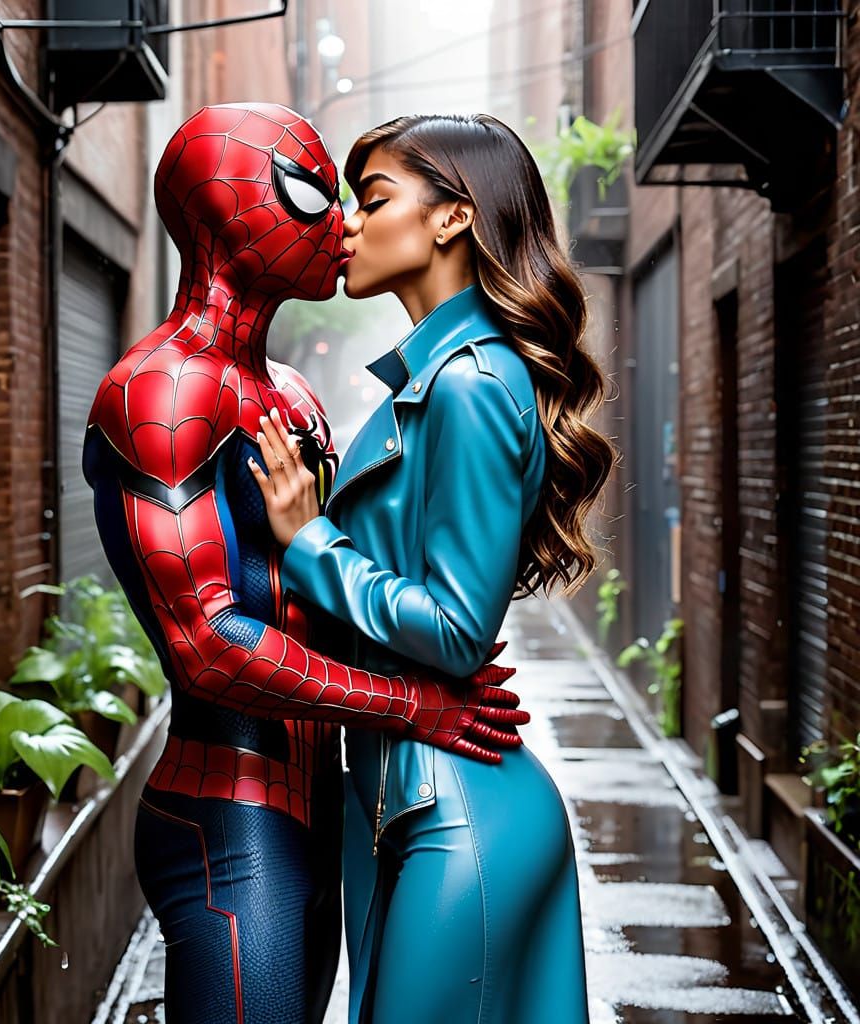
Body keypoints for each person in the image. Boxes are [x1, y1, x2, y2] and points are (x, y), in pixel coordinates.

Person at [81, 102, 529, 1024]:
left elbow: (331, 588)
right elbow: (207, 643)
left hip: (332, 812)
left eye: (353, 195)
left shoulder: (291, 394)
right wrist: (416, 701)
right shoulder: (162, 389)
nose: (341, 220)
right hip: (229, 808)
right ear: (223, 208)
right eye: (311, 191)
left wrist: (433, 644)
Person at [249, 113, 614, 1023]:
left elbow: (455, 630)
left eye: (372, 201)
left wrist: (309, 540)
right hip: (405, 806)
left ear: (452, 218)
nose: (346, 224)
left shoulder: (469, 384)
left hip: (456, 818)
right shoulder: (433, 381)